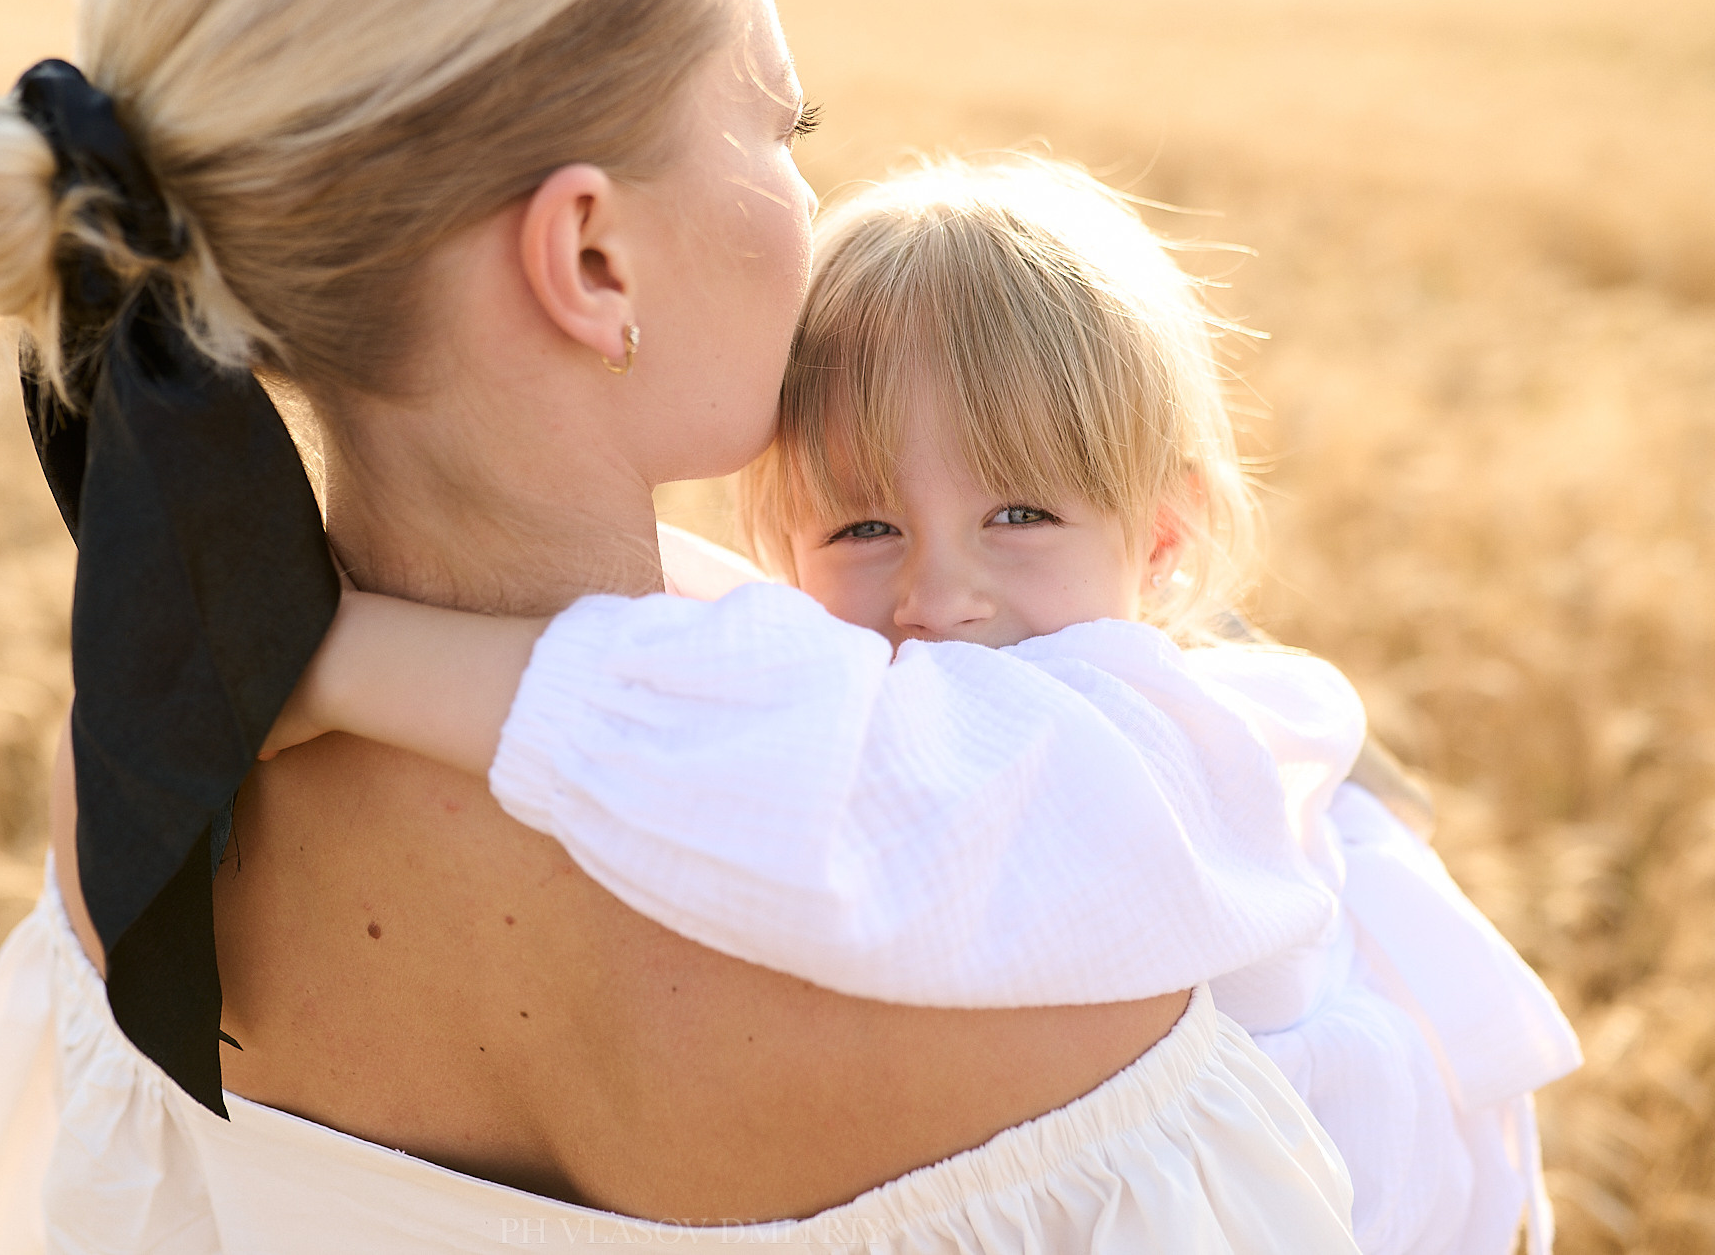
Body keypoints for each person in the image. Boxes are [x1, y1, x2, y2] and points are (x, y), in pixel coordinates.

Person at [0, 0, 1362, 1249]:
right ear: (593, 258)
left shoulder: (135, 809)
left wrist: (302, 650)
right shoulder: (1056, 952)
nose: (806, 193)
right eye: (786, 125)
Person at [265, 159, 1583, 1254]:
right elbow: (738, 666)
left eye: (1020, 515)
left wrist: (330, 659)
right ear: (783, 547)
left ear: (1166, 537)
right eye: (865, 524)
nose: (937, 594)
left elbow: (784, 763)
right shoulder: (1006, 660)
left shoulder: (1132, 750)